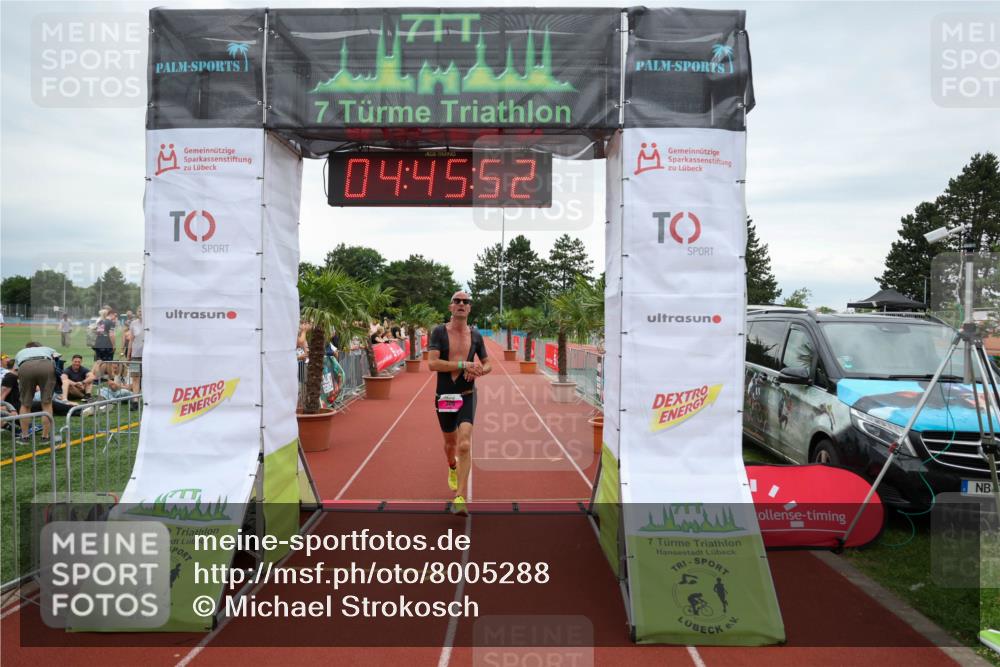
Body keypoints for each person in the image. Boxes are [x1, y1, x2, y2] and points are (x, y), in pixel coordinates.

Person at [427, 291, 491, 515]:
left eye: (466, 301)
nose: (461, 304)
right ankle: (452, 466)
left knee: (464, 444)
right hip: (445, 397)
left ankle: (460, 497)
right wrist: (464, 364)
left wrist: (480, 370)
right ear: (451, 307)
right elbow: (432, 364)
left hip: (467, 394)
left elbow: (488, 364)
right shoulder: (439, 332)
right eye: (457, 301)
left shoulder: (476, 335)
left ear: (470, 308)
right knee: (450, 444)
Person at [14, 342, 58, 442]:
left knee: (25, 404)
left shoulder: (21, 352)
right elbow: (58, 358)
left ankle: (24, 437)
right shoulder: (47, 348)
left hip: (25, 366)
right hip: (46, 365)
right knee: (46, 403)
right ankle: (45, 437)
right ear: (40, 347)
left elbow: (16, 370)